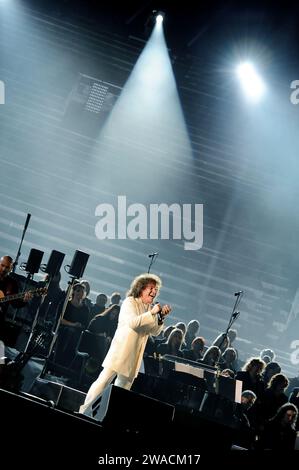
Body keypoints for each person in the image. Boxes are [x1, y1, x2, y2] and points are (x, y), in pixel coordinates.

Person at [79, 273, 171, 414]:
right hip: (121, 351)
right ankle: (85, 410)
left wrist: (160, 317)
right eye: (151, 288)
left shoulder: (148, 308)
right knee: (103, 382)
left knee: (122, 389)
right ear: (141, 288)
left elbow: (154, 332)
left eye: (156, 289)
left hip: (135, 355)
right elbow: (133, 323)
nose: (154, 292)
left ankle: (107, 415)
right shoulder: (130, 302)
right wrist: (151, 313)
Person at [0, 255, 33, 341]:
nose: (4, 269)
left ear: (11, 268)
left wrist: (24, 300)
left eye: (7, 267)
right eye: (2, 265)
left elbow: (15, 304)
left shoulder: (12, 283)